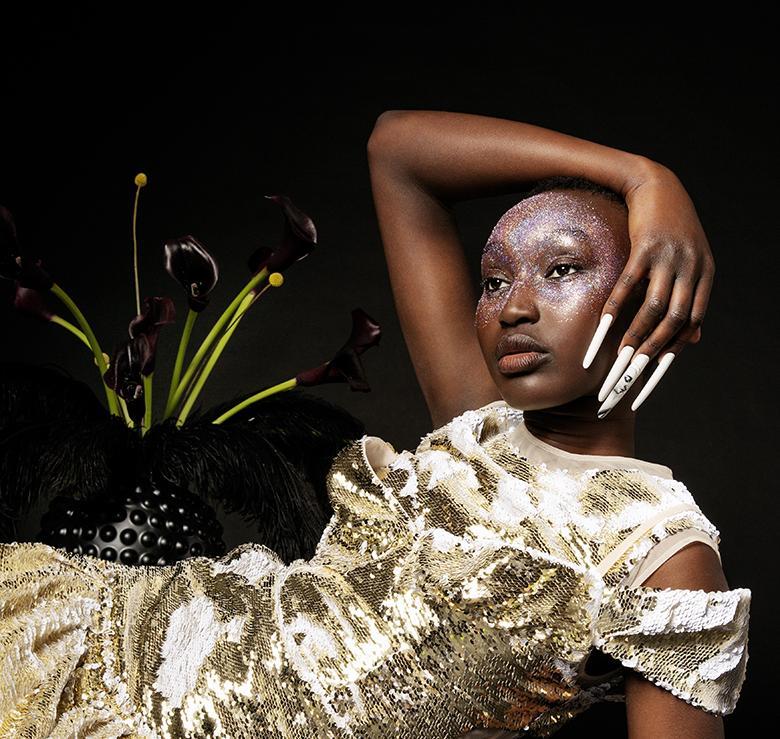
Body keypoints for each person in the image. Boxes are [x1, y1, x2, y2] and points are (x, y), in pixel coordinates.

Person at [0, 111, 749, 738]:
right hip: (131, 641)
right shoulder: (480, 419)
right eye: (493, 280)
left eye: (562, 269)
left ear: (662, 295)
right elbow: (398, 147)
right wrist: (645, 176)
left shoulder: (661, 551)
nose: (513, 306)